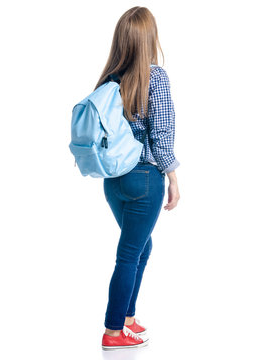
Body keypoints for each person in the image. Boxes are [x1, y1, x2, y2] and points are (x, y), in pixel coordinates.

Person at [94, 6, 180, 350]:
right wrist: (173, 178)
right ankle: (113, 331)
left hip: (112, 181)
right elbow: (161, 134)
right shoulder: (154, 77)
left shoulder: (107, 79)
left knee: (141, 248)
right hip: (144, 178)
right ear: (150, 39)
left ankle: (127, 319)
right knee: (129, 254)